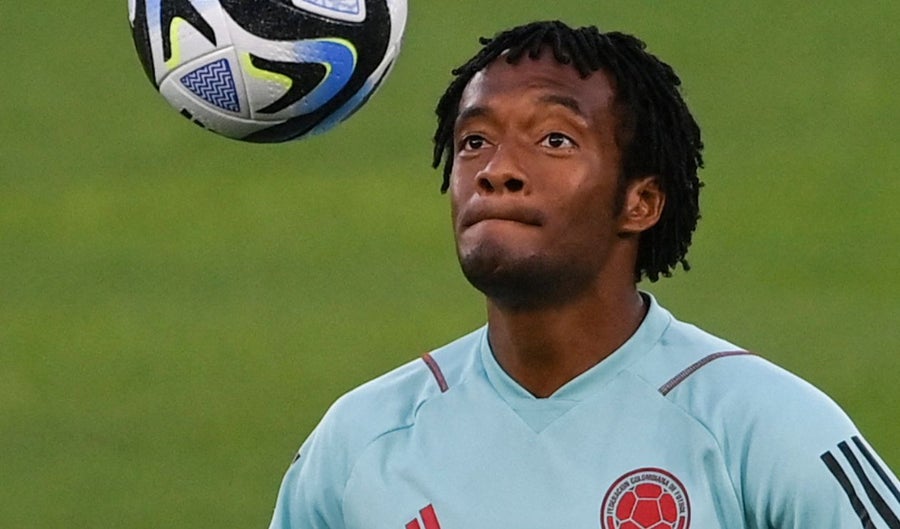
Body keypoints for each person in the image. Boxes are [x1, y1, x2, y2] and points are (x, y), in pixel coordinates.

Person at [267, 20, 900, 529]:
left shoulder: (763, 428)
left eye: (554, 140)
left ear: (640, 202)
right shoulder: (361, 443)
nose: (496, 170)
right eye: (474, 142)